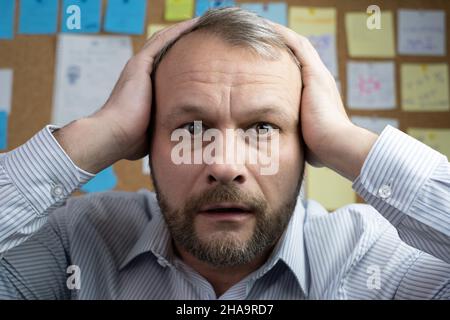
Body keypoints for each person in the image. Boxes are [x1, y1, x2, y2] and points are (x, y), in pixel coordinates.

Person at [0, 8, 448, 300]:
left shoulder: (375, 260)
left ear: (308, 143)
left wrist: (345, 140)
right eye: (190, 129)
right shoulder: (72, 247)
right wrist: (101, 132)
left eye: (263, 128)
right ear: (144, 143)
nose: (225, 165)